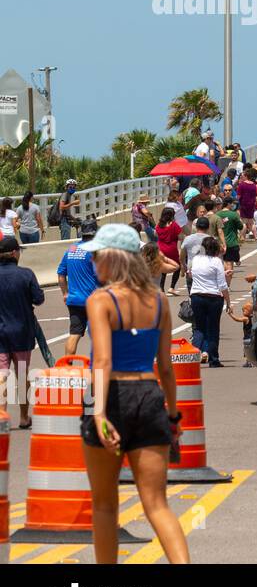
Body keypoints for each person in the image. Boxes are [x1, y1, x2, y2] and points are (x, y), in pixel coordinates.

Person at [75, 224, 189, 564]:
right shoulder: (157, 300)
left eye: (97, 255)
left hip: (110, 397)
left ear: (112, 259)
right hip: (149, 395)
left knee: (105, 504)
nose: (93, 262)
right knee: (156, 503)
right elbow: (166, 367)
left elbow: (104, 360)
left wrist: (97, 413)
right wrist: (173, 415)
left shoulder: (101, 300)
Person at [0, 236, 43, 428]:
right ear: (15, 253)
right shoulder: (26, 274)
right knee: (22, 375)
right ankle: (24, 417)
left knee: (2, 375)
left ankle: (2, 417)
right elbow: (39, 299)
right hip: (22, 333)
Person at [188, 235, 236, 367]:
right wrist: (228, 302)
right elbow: (222, 285)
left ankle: (192, 357)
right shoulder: (216, 262)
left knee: (199, 328)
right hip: (214, 297)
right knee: (213, 329)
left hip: (197, 295)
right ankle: (213, 359)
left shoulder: (196, 259)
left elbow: (190, 273)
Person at [57, 221, 101, 355]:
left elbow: (61, 274)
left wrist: (65, 293)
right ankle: (98, 367)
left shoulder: (71, 249)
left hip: (74, 299)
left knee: (74, 333)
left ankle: (67, 366)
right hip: (93, 300)